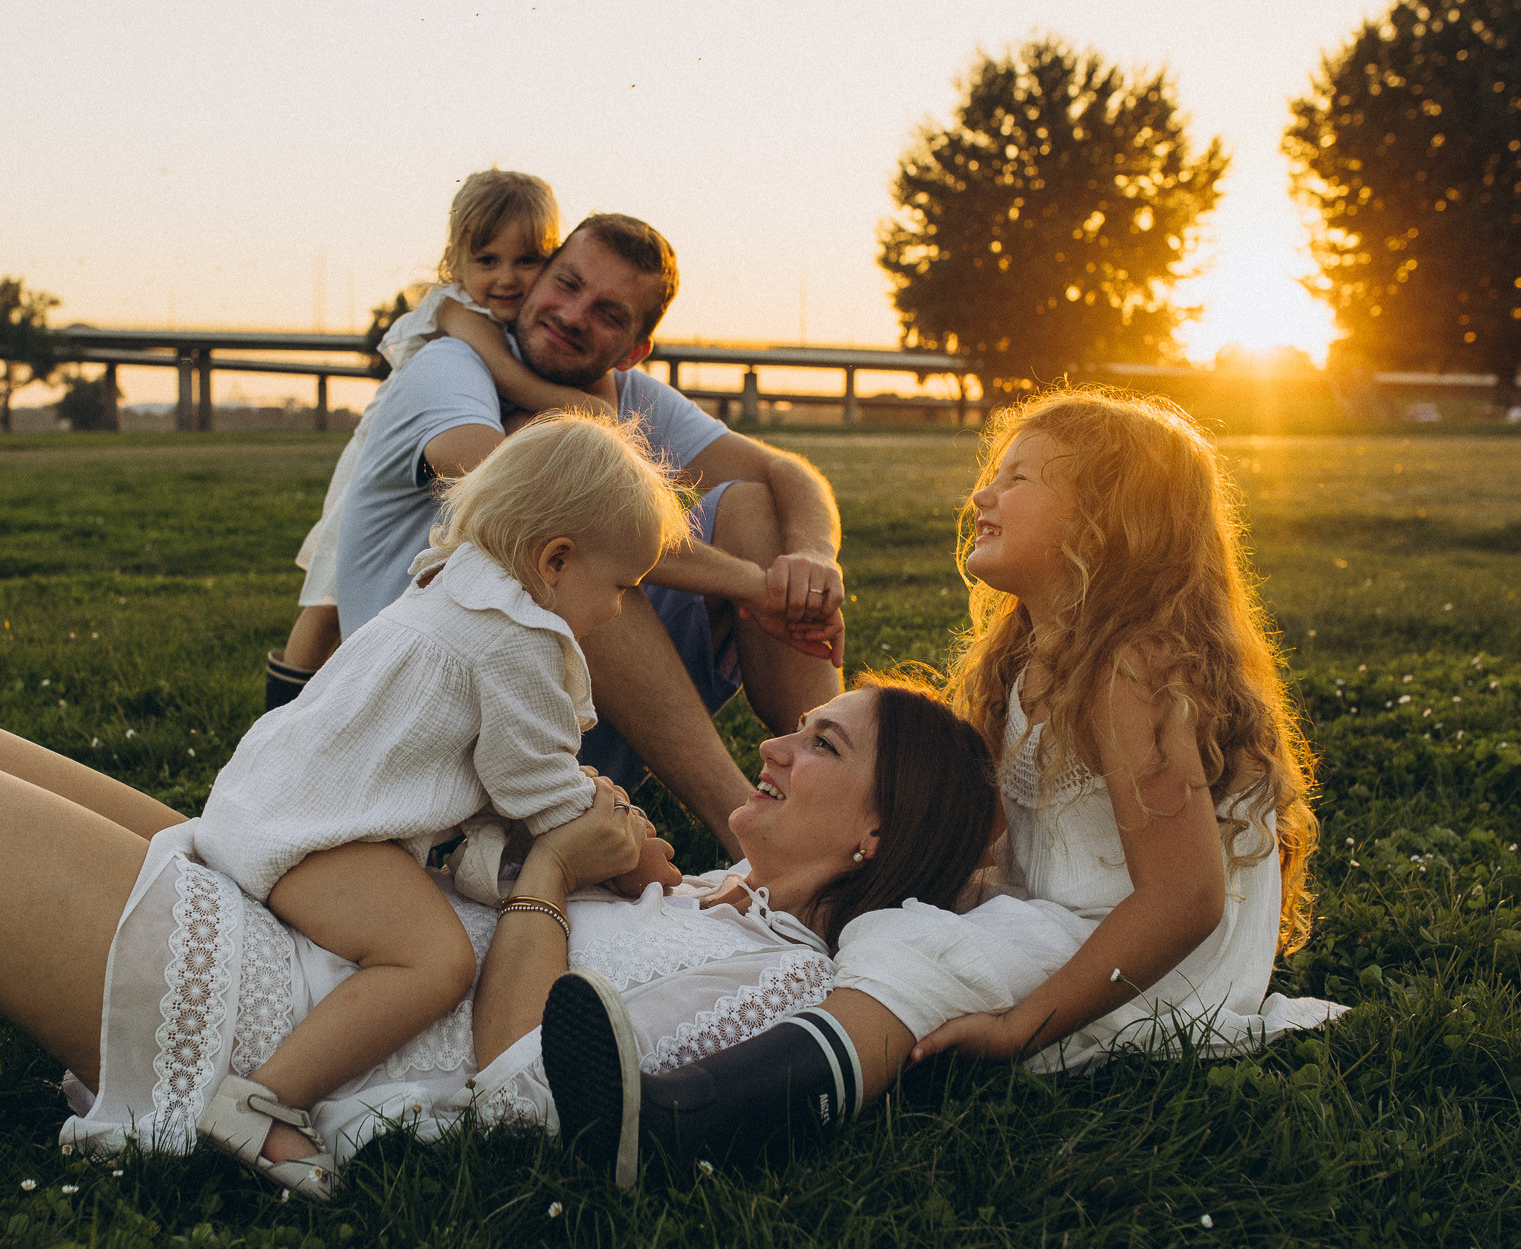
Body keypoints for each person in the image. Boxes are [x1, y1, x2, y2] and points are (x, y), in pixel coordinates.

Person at [0, 674, 997, 1201]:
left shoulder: (776, 979)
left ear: (873, 839)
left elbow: (529, 1091)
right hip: (309, 928)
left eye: (822, 744)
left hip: (284, 1017)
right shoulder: (703, 899)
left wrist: (554, 872)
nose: (781, 746)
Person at [543, 387, 1347, 1186]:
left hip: (1143, 957)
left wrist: (1017, 1026)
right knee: (884, 912)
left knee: (916, 945)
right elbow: (962, 826)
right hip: (1054, 916)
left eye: (1020, 479)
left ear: (1105, 523)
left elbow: (1184, 898)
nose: (982, 495)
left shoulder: (1132, 669)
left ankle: (690, 1121)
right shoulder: (1028, 658)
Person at [187, 412, 690, 1196]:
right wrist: (631, 852)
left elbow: (484, 781)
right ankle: (263, 1100)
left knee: (438, 918)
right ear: (556, 559)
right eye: (621, 586)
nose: (619, 610)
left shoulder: (455, 582)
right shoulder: (514, 638)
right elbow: (544, 789)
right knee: (435, 959)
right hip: (311, 832)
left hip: (274, 794)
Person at [332, 211, 849, 857]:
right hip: (425, 726)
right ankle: (751, 837)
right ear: (539, 276)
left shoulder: (630, 394)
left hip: (551, 720)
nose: (575, 314)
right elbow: (530, 501)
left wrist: (807, 561)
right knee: (574, 555)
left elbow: (784, 470)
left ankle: (839, 790)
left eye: (609, 312)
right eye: (568, 283)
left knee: (751, 504)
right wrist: (755, 585)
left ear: (635, 349)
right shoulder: (450, 362)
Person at [269, 167, 605, 707]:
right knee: (330, 595)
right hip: (385, 462)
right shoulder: (458, 311)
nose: (507, 278)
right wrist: (594, 410)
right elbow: (509, 378)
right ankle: (280, 717)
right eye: (487, 260)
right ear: (454, 263)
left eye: (527, 260)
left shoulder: (515, 320)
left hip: (436, 460)